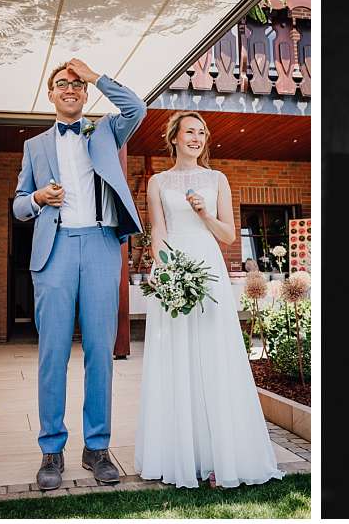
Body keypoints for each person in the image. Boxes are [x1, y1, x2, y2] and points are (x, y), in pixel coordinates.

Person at [12, 58, 146, 491]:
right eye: (61, 84)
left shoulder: (105, 129)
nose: (69, 89)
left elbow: (137, 109)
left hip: (102, 246)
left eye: (76, 84)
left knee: (99, 353)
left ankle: (97, 448)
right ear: (49, 94)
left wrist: (95, 75)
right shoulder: (34, 146)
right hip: (54, 251)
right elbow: (17, 206)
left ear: (84, 93)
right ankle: (51, 450)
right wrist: (37, 197)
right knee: (52, 353)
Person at [135, 111, 282, 489]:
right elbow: (159, 232)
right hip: (174, 271)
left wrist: (203, 212)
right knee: (177, 358)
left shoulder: (218, 179)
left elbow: (229, 235)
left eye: (202, 132)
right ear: (174, 138)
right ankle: (182, 455)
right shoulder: (158, 182)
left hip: (209, 269)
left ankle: (223, 455)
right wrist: (167, 274)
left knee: (214, 356)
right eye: (190, 132)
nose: (197, 138)